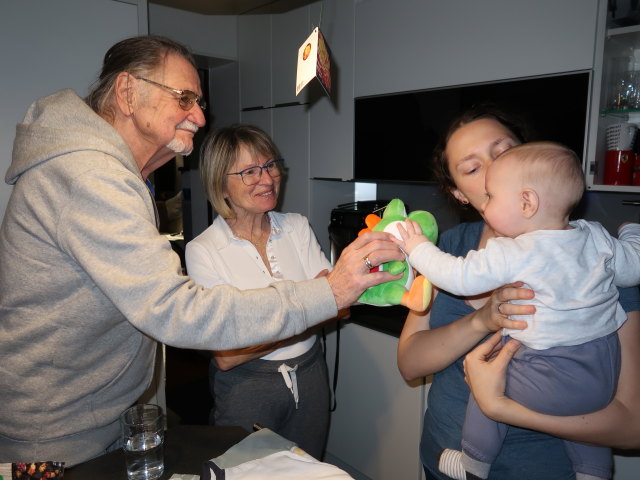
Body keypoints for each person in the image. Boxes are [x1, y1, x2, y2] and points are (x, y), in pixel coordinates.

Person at [0, 34, 403, 466]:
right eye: (185, 97)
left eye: (199, 101)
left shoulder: (112, 175)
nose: (200, 115)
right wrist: (329, 293)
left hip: (99, 415)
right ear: (127, 92)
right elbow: (179, 313)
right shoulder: (89, 176)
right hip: (57, 432)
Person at [395, 104, 640, 480]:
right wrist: (482, 319)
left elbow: (632, 426)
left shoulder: (595, 257)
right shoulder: (446, 249)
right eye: (473, 168)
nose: (494, 169)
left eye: (504, 152)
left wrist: (499, 407)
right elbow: (410, 364)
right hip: (440, 458)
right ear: (459, 193)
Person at [184, 124, 334, 459]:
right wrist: (311, 308)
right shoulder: (203, 250)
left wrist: (259, 331)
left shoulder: (296, 226)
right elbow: (227, 356)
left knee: (308, 468)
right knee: (243, 471)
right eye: (250, 171)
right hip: (247, 387)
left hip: (311, 374)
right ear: (221, 184)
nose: (267, 180)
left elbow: (338, 304)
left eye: (270, 166)